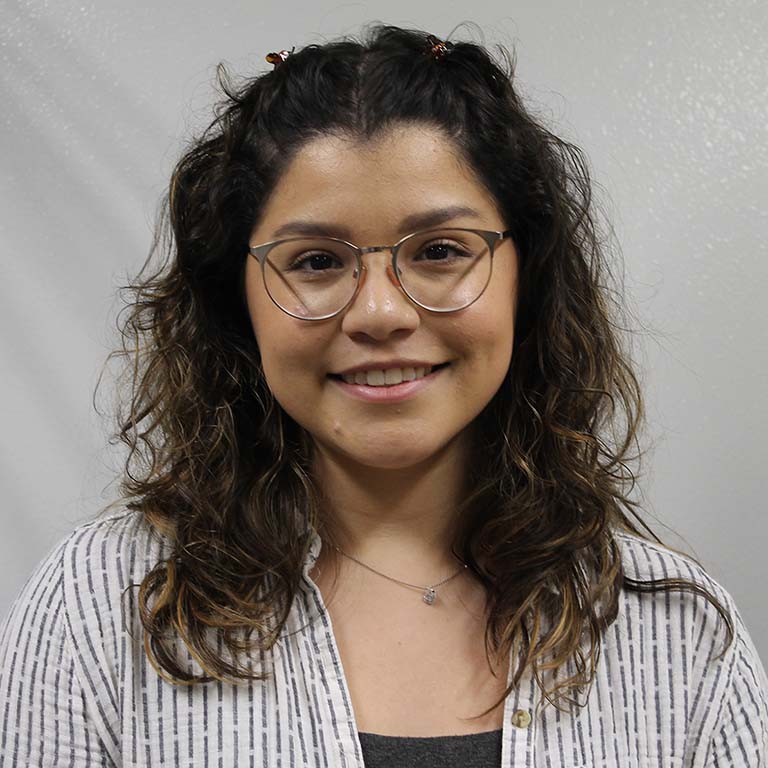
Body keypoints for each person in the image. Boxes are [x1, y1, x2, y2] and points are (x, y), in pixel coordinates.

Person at [0, 23, 766, 768]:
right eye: (316, 261)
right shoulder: (100, 608)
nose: (380, 313)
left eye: (439, 252)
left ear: (527, 279)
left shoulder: (681, 634)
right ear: (236, 301)